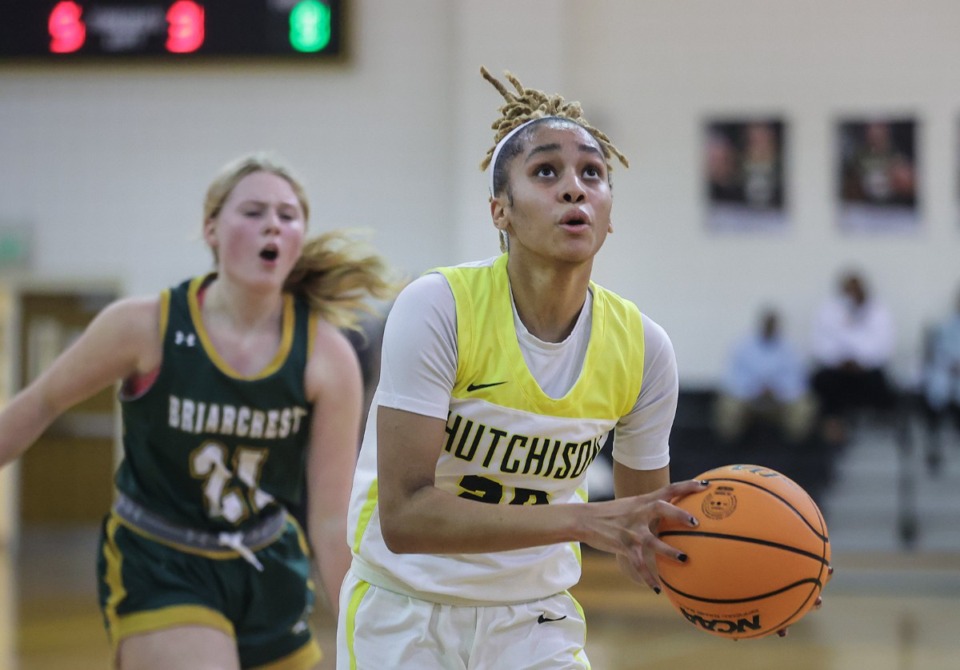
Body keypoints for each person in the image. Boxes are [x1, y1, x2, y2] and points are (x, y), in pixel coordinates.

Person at [335, 67, 714, 669]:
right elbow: (405, 517)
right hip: (406, 611)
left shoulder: (645, 350)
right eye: (546, 172)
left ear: (609, 215)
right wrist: (585, 520)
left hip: (536, 619)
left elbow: (642, 540)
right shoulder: (438, 307)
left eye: (592, 174)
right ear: (500, 211)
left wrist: (753, 584)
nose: (574, 189)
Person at [0, 152, 396, 669]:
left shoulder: (327, 356)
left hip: (267, 561)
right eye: (252, 211)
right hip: (162, 558)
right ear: (211, 229)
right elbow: (39, 404)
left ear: (298, 238)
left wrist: (363, 628)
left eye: (287, 214)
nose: (271, 224)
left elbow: (327, 520)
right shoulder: (144, 326)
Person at [810, 270, 897, 446]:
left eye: (855, 289)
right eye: (848, 290)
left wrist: (860, 361)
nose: (852, 294)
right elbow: (820, 343)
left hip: (866, 371)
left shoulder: (878, 311)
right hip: (838, 370)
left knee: (881, 383)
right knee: (822, 381)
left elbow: (885, 345)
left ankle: (878, 428)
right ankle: (833, 430)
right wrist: (840, 360)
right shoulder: (830, 310)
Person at [714, 307, 816, 445]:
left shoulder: (789, 349)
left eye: (772, 323)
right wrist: (755, 390)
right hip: (749, 400)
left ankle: (795, 451)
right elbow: (733, 378)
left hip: (780, 401)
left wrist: (777, 390)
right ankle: (727, 451)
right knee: (728, 407)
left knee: (803, 407)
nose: (769, 326)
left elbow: (797, 381)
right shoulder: (743, 347)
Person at [920, 285, 960, 468]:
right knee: (936, 387)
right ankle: (934, 443)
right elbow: (938, 354)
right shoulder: (946, 326)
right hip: (947, 375)